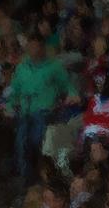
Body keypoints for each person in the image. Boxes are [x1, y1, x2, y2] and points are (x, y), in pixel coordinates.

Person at [9, 35, 77, 187]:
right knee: (20, 140)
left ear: (42, 48)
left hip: (46, 111)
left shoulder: (54, 66)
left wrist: (73, 95)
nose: (33, 50)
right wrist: (10, 106)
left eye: (36, 46)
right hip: (25, 111)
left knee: (36, 138)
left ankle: (40, 176)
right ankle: (25, 180)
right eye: (31, 46)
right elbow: (15, 91)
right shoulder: (22, 67)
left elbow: (67, 85)